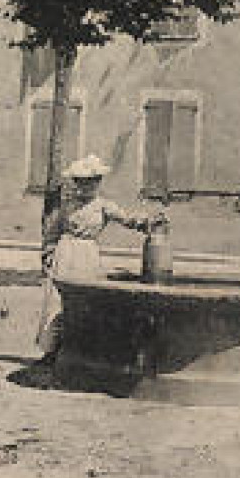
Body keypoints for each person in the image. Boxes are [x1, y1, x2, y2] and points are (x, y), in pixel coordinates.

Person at [34, 156, 167, 364]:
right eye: (81, 181)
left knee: (86, 300)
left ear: (98, 182)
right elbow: (52, 232)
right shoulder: (67, 206)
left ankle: (81, 350)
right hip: (65, 252)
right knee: (57, 301)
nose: (86, 186)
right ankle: (52, 351)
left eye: (92, 181)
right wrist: (48, 256)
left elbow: (127, 219)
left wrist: (148, 221)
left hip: (87, 255)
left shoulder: (104, 206)